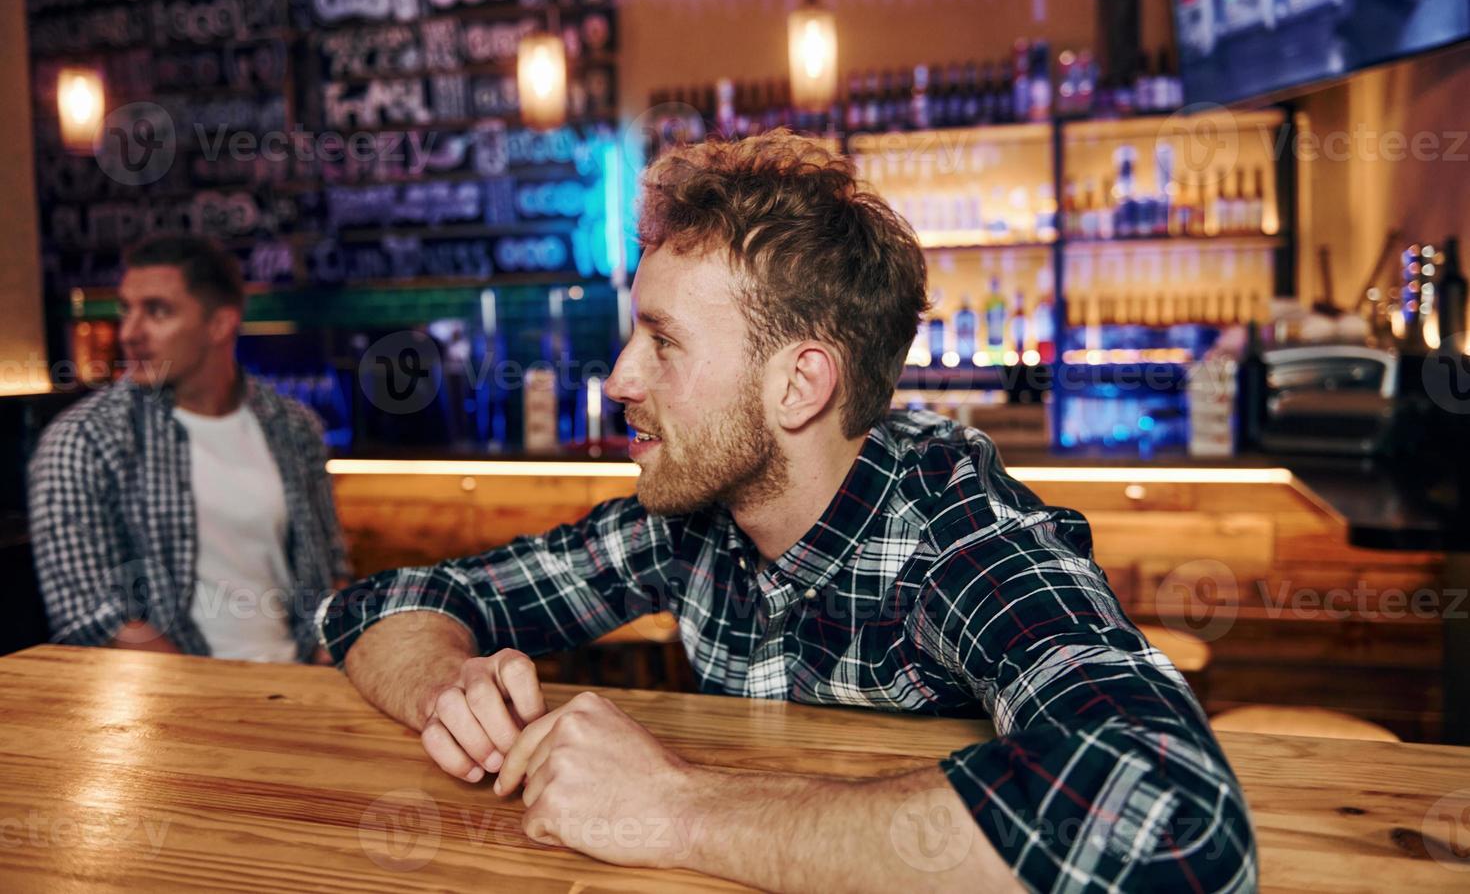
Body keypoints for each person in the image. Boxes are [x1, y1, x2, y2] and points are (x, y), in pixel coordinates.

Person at [318, 131, 1256, 892]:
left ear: (800, 383)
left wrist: (675, 811)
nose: (617, 379)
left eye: (665, 342)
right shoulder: (688, 519)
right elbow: (381, 604)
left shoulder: (957, 533)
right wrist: (447, 687)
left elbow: (1171, 819)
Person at [29, 236, 349, 663]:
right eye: (126, 309)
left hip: (303, 685)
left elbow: (329, 567)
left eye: (157, 311)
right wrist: (213, 700)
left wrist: (329, 668)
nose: (130, 333)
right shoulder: (86, 438)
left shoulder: (293, 427)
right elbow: (94, 617)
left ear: (220, 324)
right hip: (173, 705)